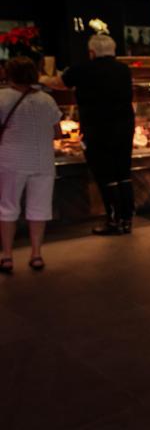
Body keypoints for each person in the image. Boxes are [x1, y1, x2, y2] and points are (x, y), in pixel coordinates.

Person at [40, 35, 135, 235]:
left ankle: (113, 221)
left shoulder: (82, 69)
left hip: (97, 129)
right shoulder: (123, 69)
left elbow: (59, 83)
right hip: (125, 128)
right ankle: (127, 219)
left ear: (91, 52)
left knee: (105, 175)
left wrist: (39, 78)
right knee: (124, 174)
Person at [0, 56, 62, 272]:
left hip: (11, 160)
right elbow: (57, 132)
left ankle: (7, 257)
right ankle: (36, 255)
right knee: (39, 208)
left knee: (7, 208)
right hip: (43, 160)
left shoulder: (2, 98)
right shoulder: (47, 99)